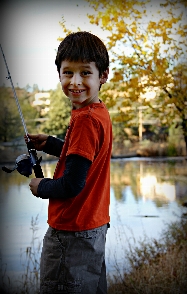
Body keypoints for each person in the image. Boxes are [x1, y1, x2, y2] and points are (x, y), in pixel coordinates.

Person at [25, 31, 112, 294]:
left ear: (103, 76)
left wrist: (42, 187)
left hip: (71, 232)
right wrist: (50, 143)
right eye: (67, 73)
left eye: (85, 73)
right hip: (94, 226)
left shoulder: (85, 119)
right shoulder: (98, 112)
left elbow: (73, 182)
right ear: (59, 74)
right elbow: (82, 157)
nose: (75, 82)